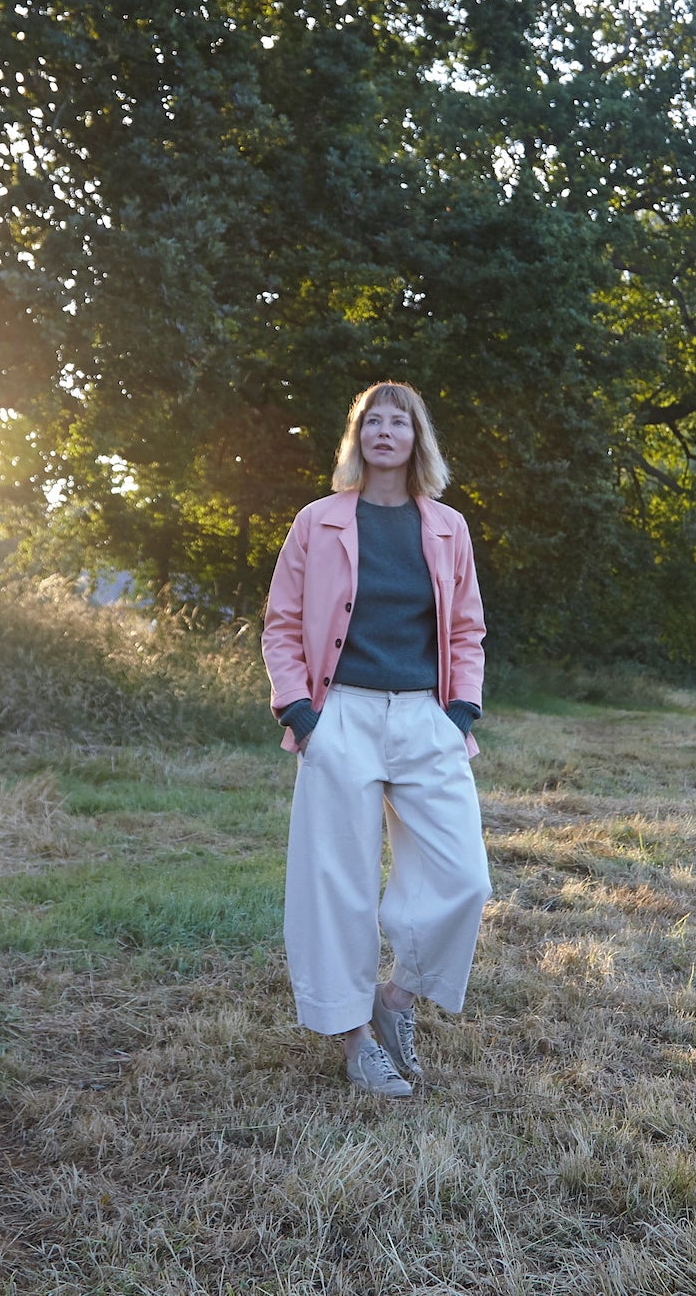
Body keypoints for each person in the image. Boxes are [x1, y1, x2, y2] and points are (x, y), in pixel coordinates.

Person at [261, 381, 490, 1098]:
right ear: (356, 436)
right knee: (338, 881)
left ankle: (395, 1001)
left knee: (464, 878)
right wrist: (302, 714)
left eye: (400, 420)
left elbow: (466, 630)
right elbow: (282, 624)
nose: (385, 430)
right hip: (341, 717)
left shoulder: (449, 527)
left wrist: (459, 714)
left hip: (427, 715)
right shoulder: (317, 521)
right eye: (372, 419)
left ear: (418, 437)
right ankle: (355, 1040)